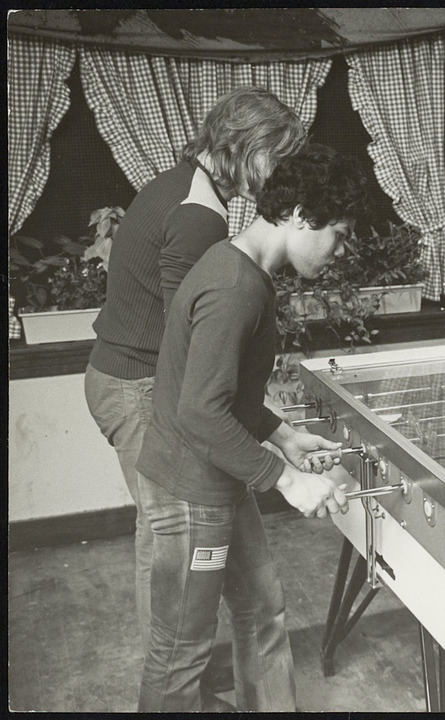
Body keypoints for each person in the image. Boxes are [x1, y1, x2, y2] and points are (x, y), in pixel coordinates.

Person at [83, 86, 305, 702]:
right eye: (277, 158)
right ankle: (180, 685)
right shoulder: (200, 214)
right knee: (172, 548)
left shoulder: (182, 184)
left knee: (170, 547)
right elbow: (195, 342)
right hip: (139, 384)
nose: (279, 176)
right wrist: (274, 450)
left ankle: (184, 681)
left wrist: (275, 430)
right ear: (247, 148)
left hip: (126, 377)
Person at [133, 144, 368, 711]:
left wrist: (283, 435)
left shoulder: (245, 271)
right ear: (300, 215)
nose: (340, 251)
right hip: (191, 491)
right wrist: (287, 479)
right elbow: (199, 411)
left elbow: (224, 392)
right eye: (338, 234)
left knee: (263, 609)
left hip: (218, 475)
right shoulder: (234, 287)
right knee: (181, 651)